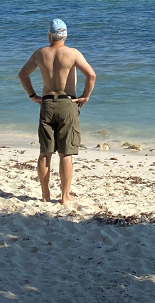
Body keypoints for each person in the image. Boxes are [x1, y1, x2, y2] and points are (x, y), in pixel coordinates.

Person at [17, 18, 97, 204]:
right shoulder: (73, 54)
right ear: (65, 35)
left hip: (47, 104)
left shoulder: (40, 53)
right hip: (67, 103)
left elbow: (22, 75)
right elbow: (91, 75)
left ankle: (45, 195)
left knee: (45, 153)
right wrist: (85, 96)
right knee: (65, 154)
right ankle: (65, 196)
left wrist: (32, 96)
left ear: (49, 35)